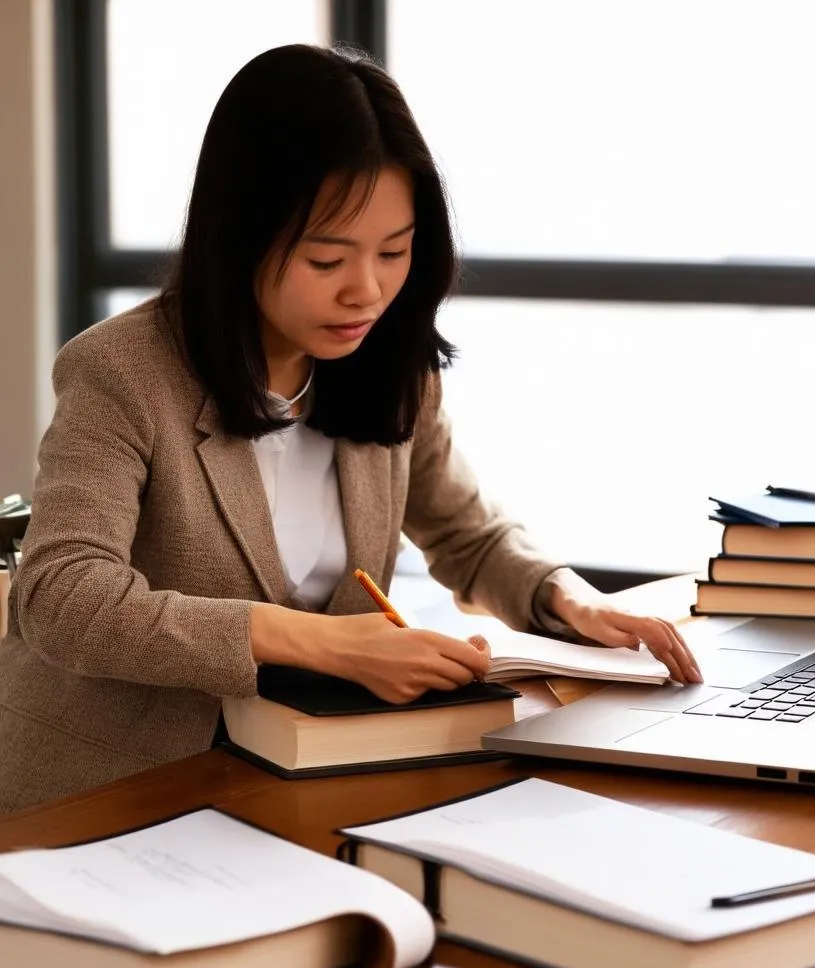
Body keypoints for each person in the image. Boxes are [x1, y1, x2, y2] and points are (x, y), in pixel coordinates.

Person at [0, 44, 701, 813]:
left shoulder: (388, 363)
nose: (366, 290)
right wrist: (322, 642)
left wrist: (571, 599)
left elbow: (469, 534)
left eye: (394, 252)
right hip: (114, 788)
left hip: (310, 774)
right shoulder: (122, 372)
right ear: (241, 237)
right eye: (326, 258)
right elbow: (63, 599)